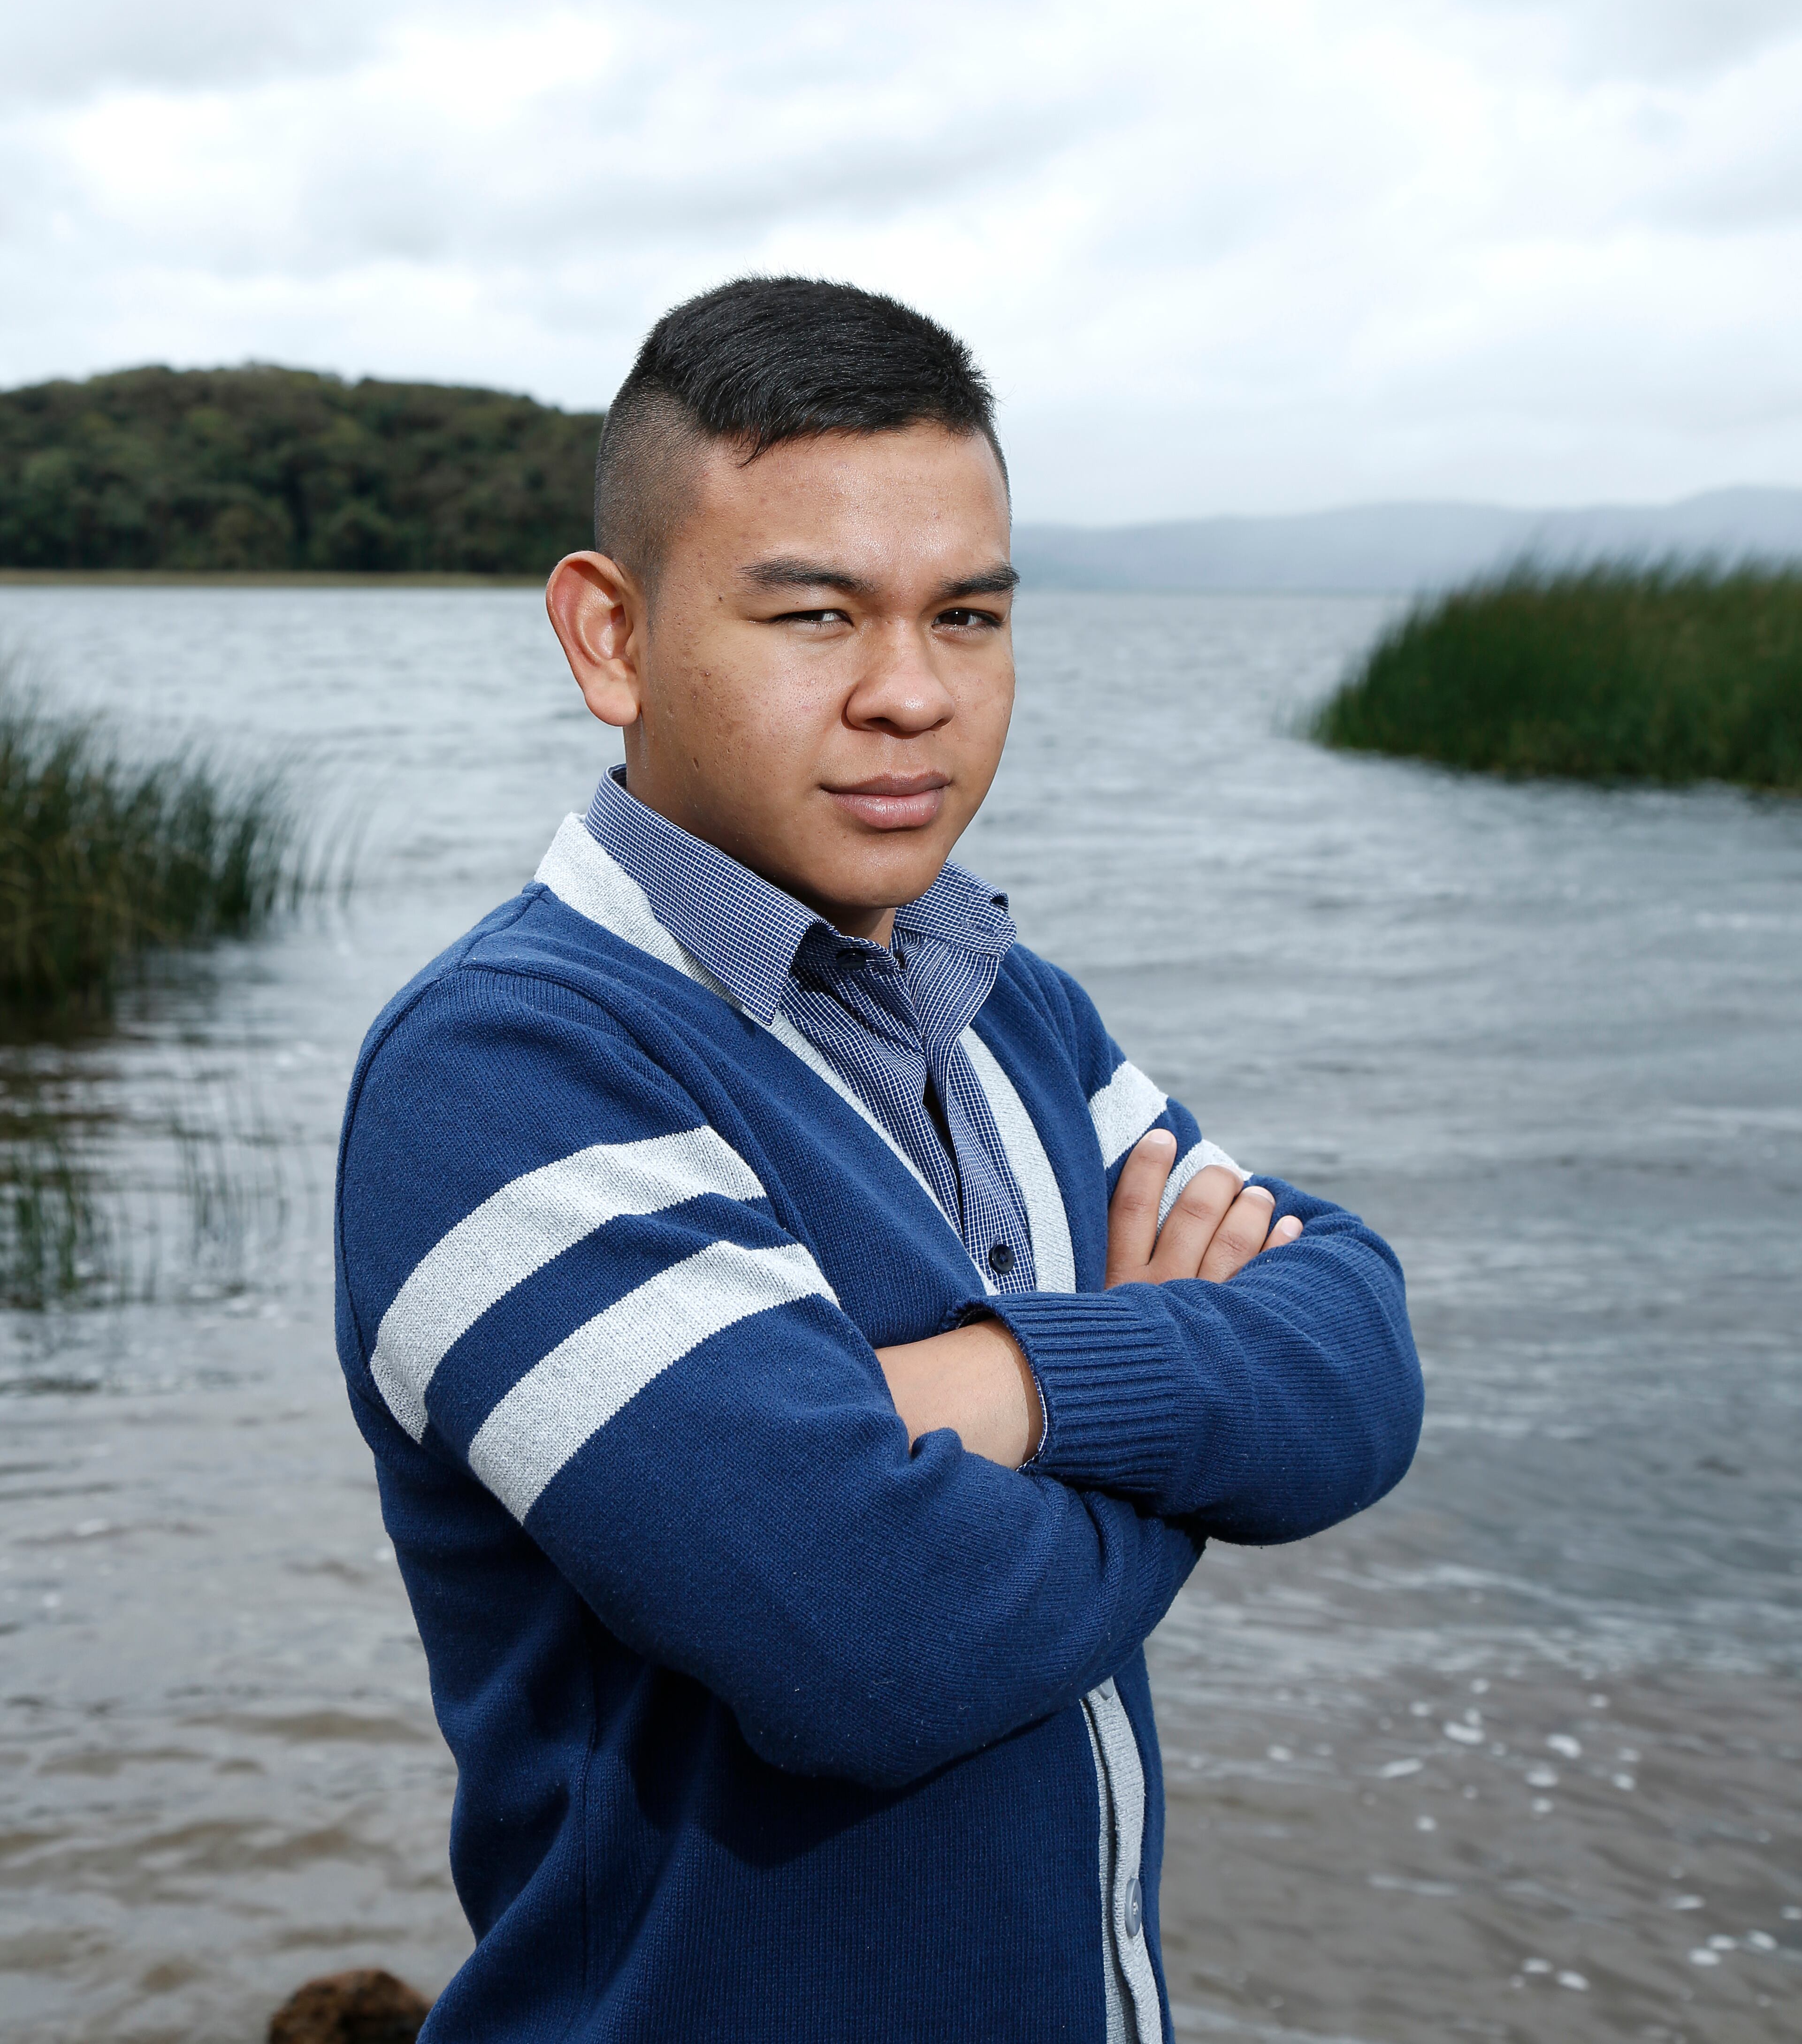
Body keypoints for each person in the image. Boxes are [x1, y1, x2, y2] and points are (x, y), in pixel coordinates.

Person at [334, 276, 1423, 2043]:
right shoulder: (503, 1066)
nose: (911, 693)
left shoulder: (1008, 1008)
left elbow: (1363, 1356)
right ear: (609, 635)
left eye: (969, 614)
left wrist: (1001, 1390)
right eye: (817, 613)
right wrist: (1191, 1442)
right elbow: (867, 1636)